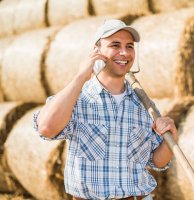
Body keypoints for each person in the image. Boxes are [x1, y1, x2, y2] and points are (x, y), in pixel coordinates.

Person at [33, 19, 178, 200]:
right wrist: (80, 76)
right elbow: (46, 129)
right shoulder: (77, 97)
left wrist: (170, 138)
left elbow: (156, 161)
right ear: (97, 51)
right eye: (115, 45)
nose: (124, 53)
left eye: (129, 46)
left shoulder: (144, 104)